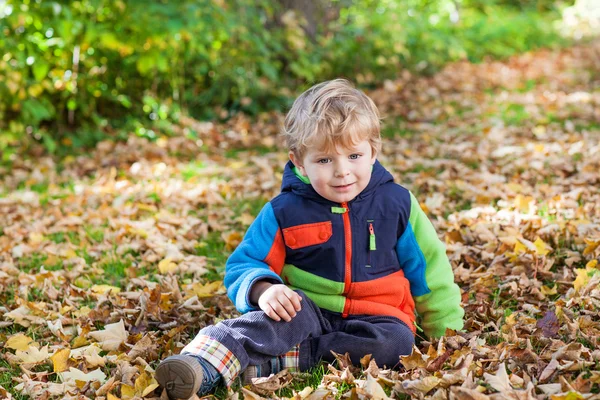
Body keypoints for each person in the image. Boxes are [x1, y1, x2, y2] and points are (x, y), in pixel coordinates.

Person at [155, 79, 464, 399]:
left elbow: (429, 271)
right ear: (299, 160)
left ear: (374, 151)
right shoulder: (285, 210)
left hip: (379, 315)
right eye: (325, 160)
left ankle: (278, 361)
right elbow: (245, 263)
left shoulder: (398, 204)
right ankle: (202, 363)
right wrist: (265, 289)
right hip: (307, 308)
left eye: (354, 156)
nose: (342, 171)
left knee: (396, 345)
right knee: (267, 323)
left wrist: (446, 331)